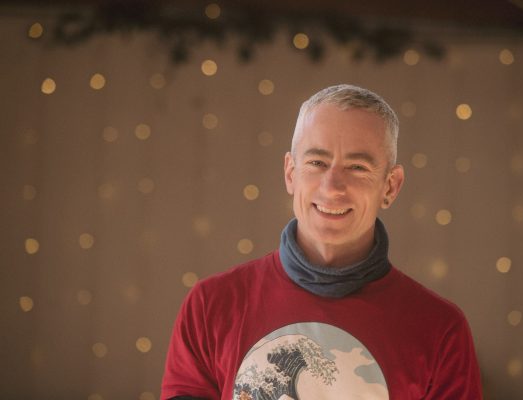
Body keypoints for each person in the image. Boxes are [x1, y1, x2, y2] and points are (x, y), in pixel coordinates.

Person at [161, 84, 482, 400]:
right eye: (316, 162)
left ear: (391, 186)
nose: (332, 187)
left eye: (357, 167)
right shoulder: (211, 306)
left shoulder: (440, 330)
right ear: (290, 173)